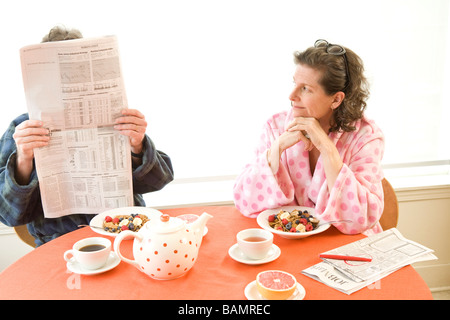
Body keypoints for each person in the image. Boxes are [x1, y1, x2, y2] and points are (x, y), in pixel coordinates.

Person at [0, 26, 174, 246]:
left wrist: (138, 146)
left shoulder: (116, 116)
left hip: (125, 234)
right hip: (60, 244)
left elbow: (161, 180)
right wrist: (23, 159)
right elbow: (9, 215)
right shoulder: (22, 128)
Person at [233, 39, 385, 235]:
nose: (291, 95)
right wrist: (276, 149)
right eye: (295, 83)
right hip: (289, 245)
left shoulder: (366, 137)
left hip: (345, 246)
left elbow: (361, 218)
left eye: (306, 88)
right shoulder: (276, 127)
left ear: (336, 99)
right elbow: (244, 200)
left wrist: (328, 149)